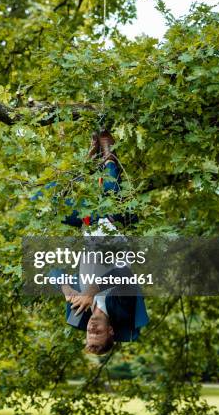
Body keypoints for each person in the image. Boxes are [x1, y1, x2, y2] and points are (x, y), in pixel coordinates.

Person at [48, 130, 149, 355]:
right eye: (97, 333)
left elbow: (52, 271)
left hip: (89, 229)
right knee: (107, 204)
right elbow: (123, 275)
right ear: (111, 331)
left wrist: (65, 288)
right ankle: (107, 151)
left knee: (55, 208)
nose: (91, 328)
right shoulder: (122, 309)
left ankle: (89, 159)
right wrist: (92, 291)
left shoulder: (79, 310)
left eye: (89, 333)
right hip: (117, 227)